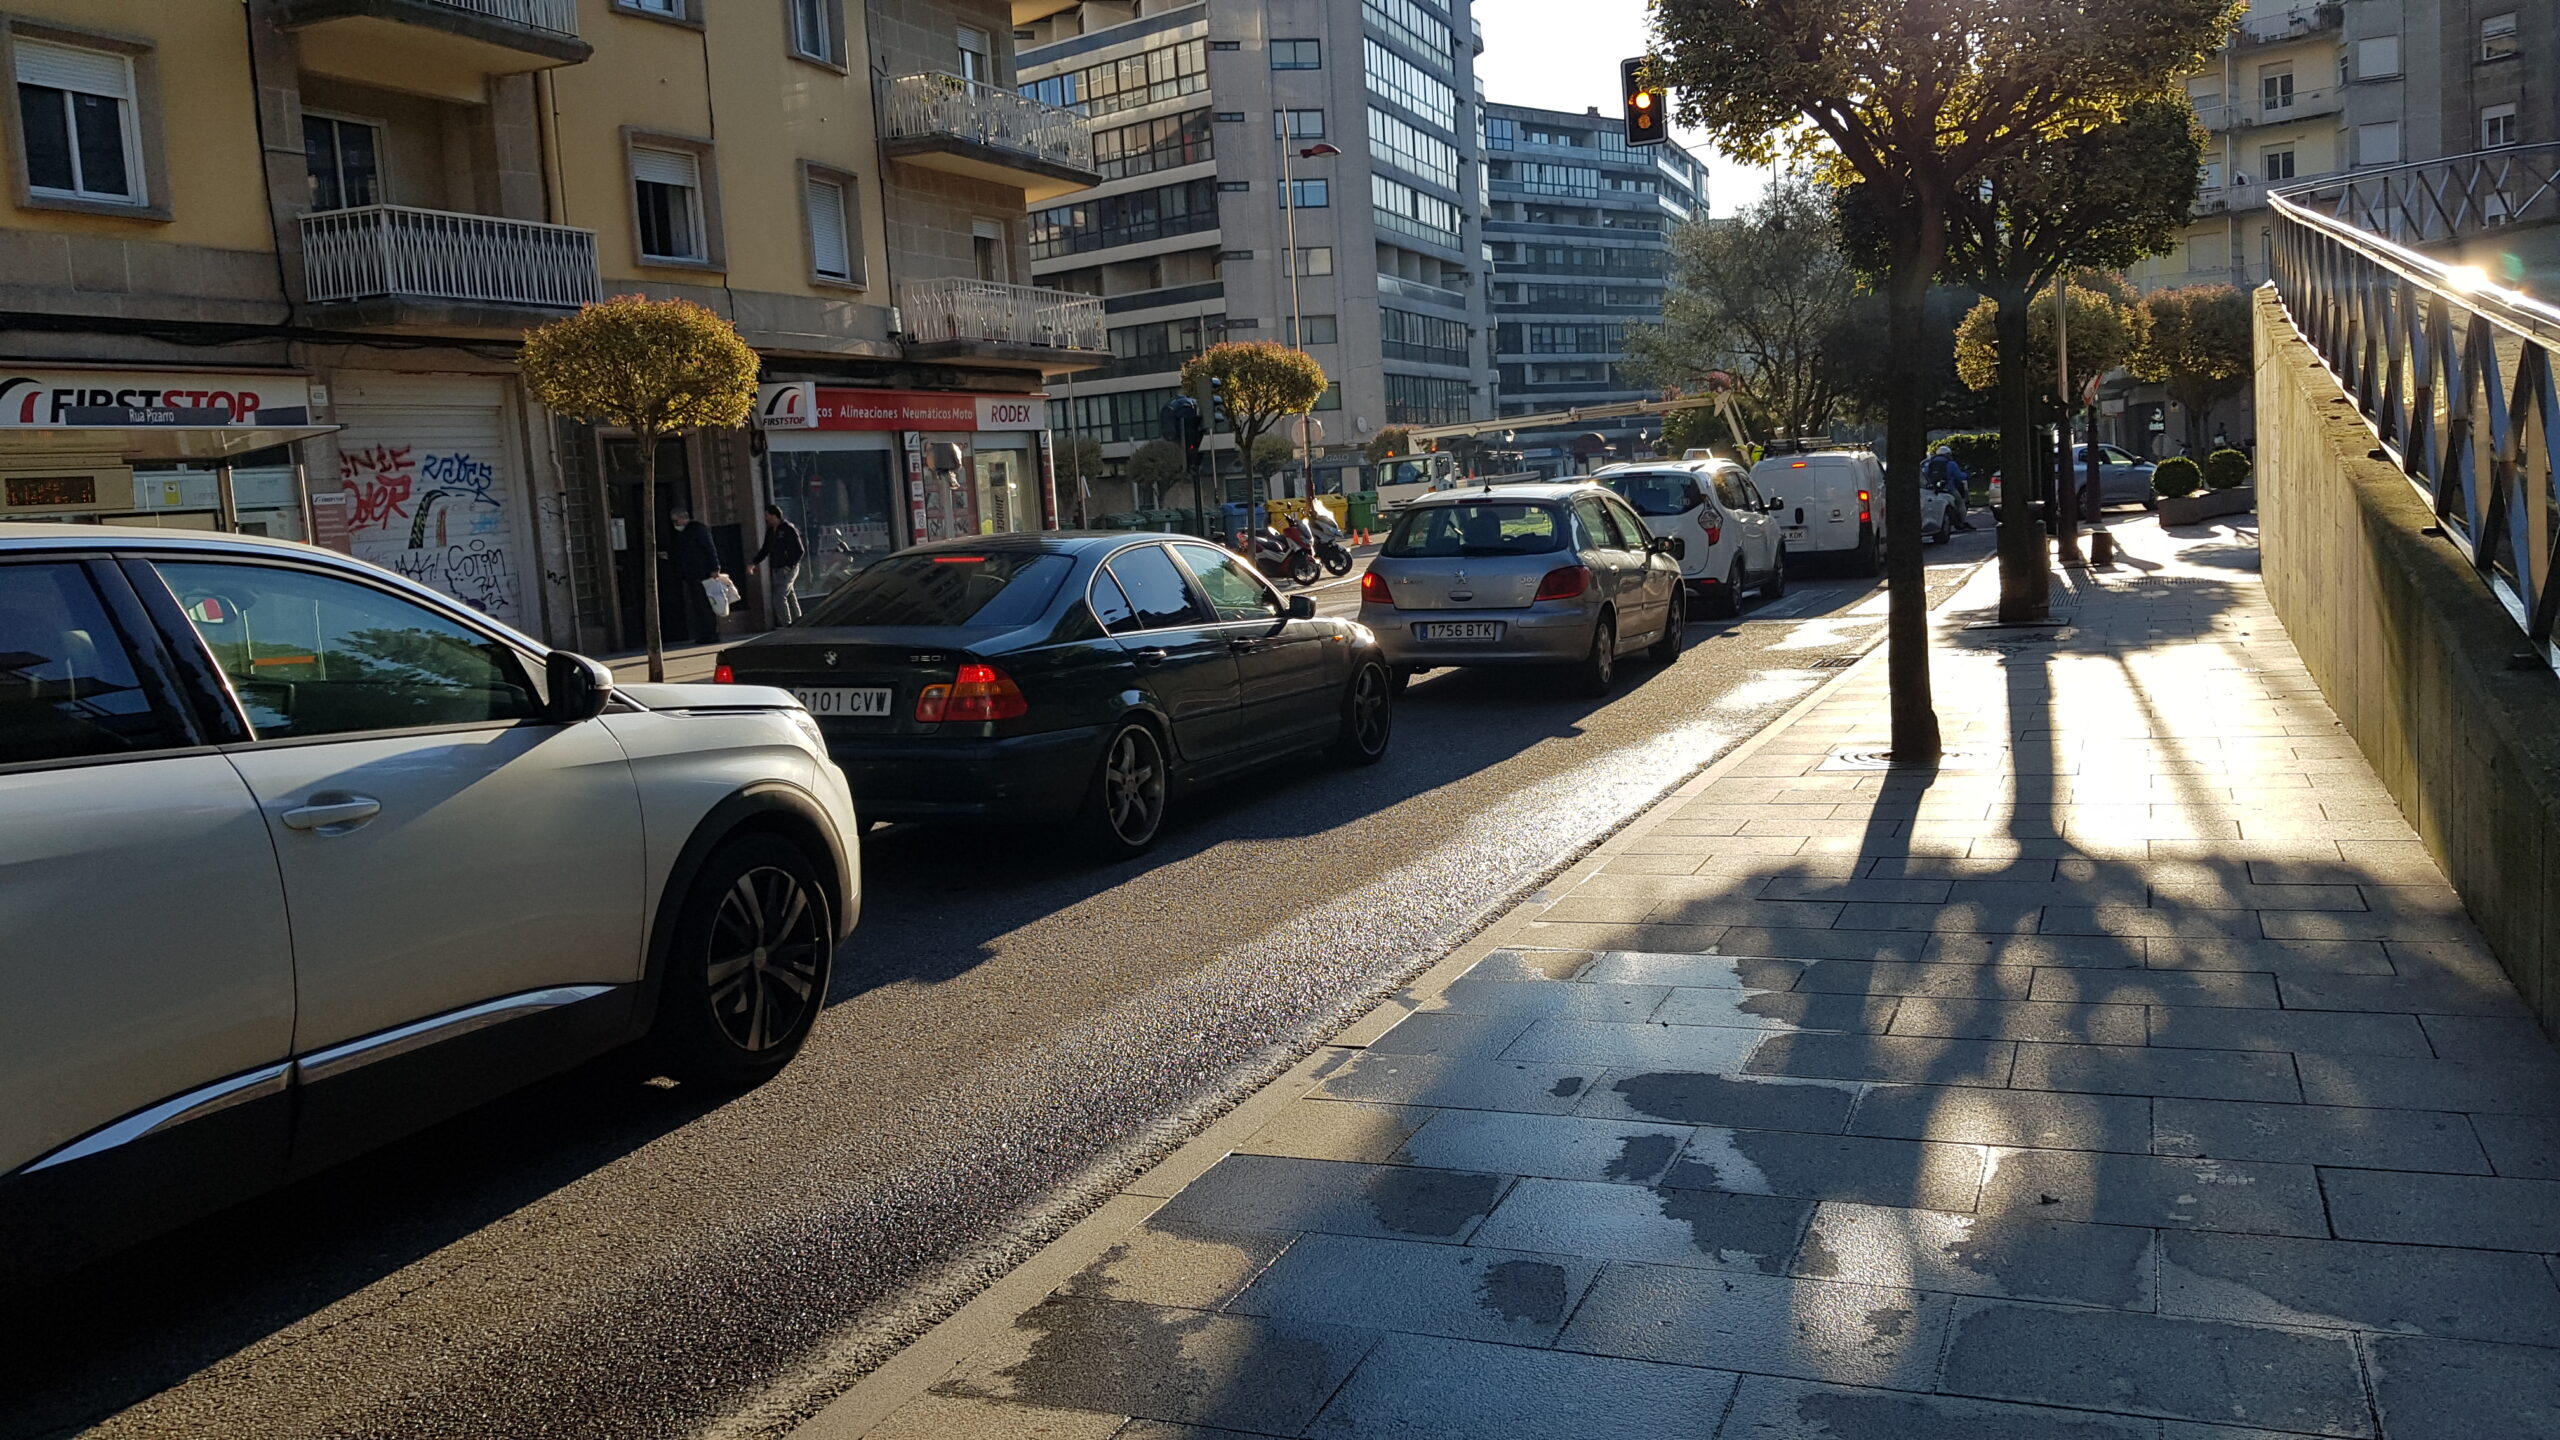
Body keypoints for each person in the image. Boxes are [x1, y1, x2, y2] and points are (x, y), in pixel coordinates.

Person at [664, 504, 723, 645]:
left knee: (704, 605)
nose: (675, 524)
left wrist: (715, 568)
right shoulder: (684, 533)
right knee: (698, 605)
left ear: (683, 518)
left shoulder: (698, 529)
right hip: (692, 573)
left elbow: (710, 549)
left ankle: (711, 633)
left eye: (676, 520)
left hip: (702, 573)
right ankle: (705, 633)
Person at [748, 504, 807, 625]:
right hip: (777, 568)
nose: (766, 518)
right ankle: (799, 622)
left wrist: (790, 565)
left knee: (779, 597)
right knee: (789, 595)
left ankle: (787, 625)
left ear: (774, 516)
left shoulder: (788, 529)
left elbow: (799, 550)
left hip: (787, 568)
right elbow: (765, 549)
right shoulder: (770, 531)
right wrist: (754, 562)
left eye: (767, 516)